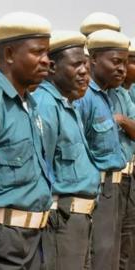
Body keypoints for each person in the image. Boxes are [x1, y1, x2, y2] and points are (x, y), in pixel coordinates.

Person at [0, 12, 52, 270]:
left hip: (34, 240)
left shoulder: (31, 105)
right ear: (11, 54)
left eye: (47, 53)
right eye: (38, 53)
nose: (46, 61)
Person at [32, 30, 98, 270]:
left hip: (80, 220)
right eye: (76, 65)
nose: (84, 71)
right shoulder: (45, 105)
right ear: (52, 68)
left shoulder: (67, 104)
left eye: (86, 65)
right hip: (61, 221)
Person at [75, 29, 130, 270]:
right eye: (116, 62)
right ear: (94, 59)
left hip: (114, 188)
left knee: (111, 258)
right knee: (98, 258)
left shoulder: (110, 96)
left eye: (125, 63)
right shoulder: (84, 97)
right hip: (97, 190)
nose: (122, 69)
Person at [107, 40, 135, 270]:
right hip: (106, 183)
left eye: (127, 62)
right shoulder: (90, 96)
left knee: (124, 246)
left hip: (126, 179)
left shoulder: (123, 96)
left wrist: (124, 121)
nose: (124, 68)